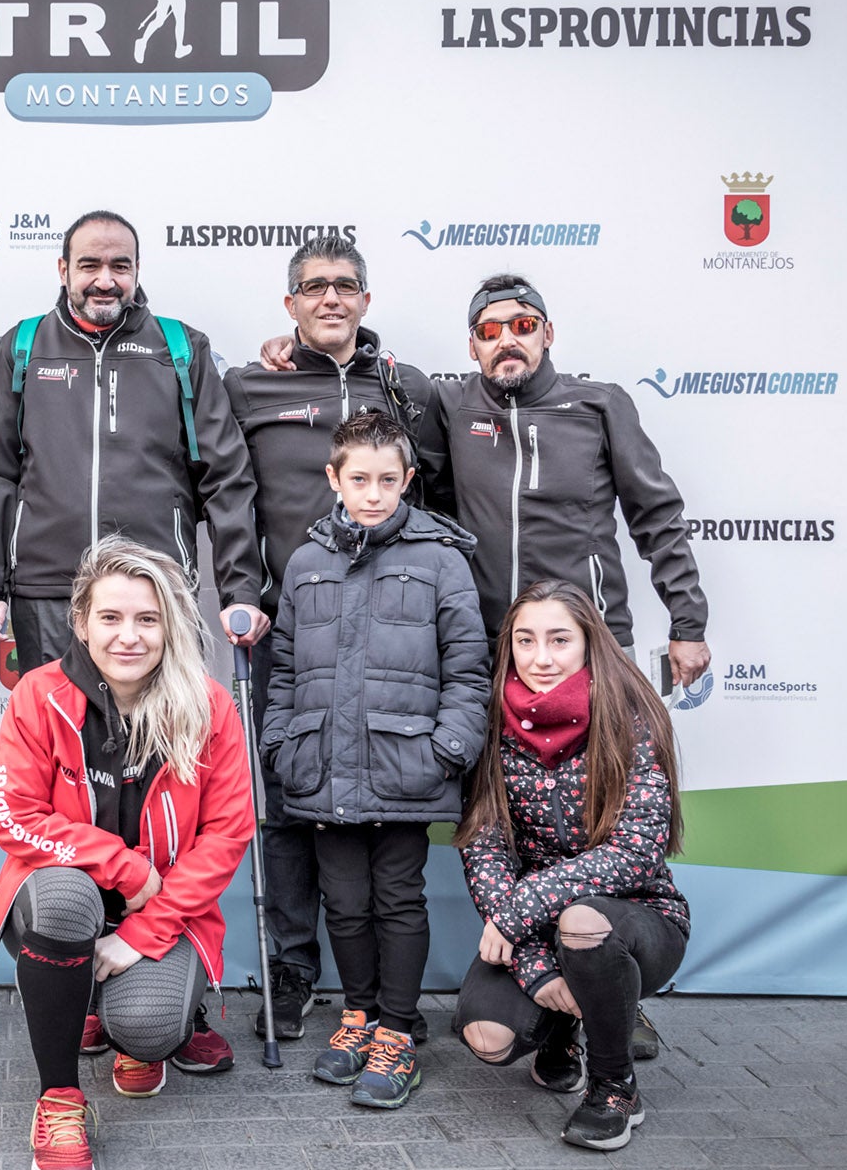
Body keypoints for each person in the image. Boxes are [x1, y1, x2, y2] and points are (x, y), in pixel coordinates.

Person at [225, 233, 448, 1041]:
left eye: (345, 285)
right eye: (314, 286)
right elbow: (223, 497)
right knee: (284, 807)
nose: (330, 298)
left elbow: (443, 503)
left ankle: (385, 1001)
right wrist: (243, 594)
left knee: (388, 817)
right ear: (290, 304)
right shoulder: (250, 384)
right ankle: (291, 969)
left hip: (393, 639)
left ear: (365, 299)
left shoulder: (411, 389)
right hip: (290, 635)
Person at [0, 538, 255, 1170]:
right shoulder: (39, 696)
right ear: (81, 621)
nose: (128, 635)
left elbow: (227, 832)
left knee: (148, 1027)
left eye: (147, 618)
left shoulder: (209, 705)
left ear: (169, 626)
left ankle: (139, 1014)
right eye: (111, 617)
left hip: (162, 912)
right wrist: (127, 869)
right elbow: (14, 815)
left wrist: (144, 929)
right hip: (64, 896)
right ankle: (59, 1102)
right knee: (68, 898)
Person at [259, 410, 489, 1109]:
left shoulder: (441, 558)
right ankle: (357, 1016)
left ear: (408, 481)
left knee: (397, 898)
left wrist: (447, 748)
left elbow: (469, 668)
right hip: (324, 769)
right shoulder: (305, 562)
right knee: (346, 904)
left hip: (404, 769)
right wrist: (281, 741)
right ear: (334, 478)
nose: (373, 492)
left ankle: (398, 1029)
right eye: (359, 478)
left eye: (388, 479)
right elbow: (287, 669)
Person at [0, 209, 267, 671]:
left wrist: (240, 591)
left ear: (137, 271)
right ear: (63, 270)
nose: (105, 280)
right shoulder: (23, 346)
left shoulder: (181, 348)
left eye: (120, 266)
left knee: (162, 740)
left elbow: (226, 478)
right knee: (55, 739)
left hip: (156, 592)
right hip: (48, 593)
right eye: (89, 266)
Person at [453, 580, 691, 1152]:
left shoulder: (632, 717)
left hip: (635, 920)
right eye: (525, 641)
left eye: (559, 640)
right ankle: (560, 1032)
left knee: (583, 922)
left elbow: (635, 853)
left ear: (588, 643)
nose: (540, 658)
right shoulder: (491, 721)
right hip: (533, 925)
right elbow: (484, 847)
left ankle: (616, 1088)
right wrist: (535, 964)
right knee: (487, 1037)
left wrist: (520, 911)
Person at [438, 274, 709, 692]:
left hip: (593, 643)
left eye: (523, 326)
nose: (507, 340)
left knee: (612, 761)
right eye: (489, 331)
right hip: (488, 649)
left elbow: (657, 519)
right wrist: (296, 352)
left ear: (547, 333)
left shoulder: (599, 406)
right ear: (473, 346)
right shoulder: (451, 404)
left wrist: (688, 624)